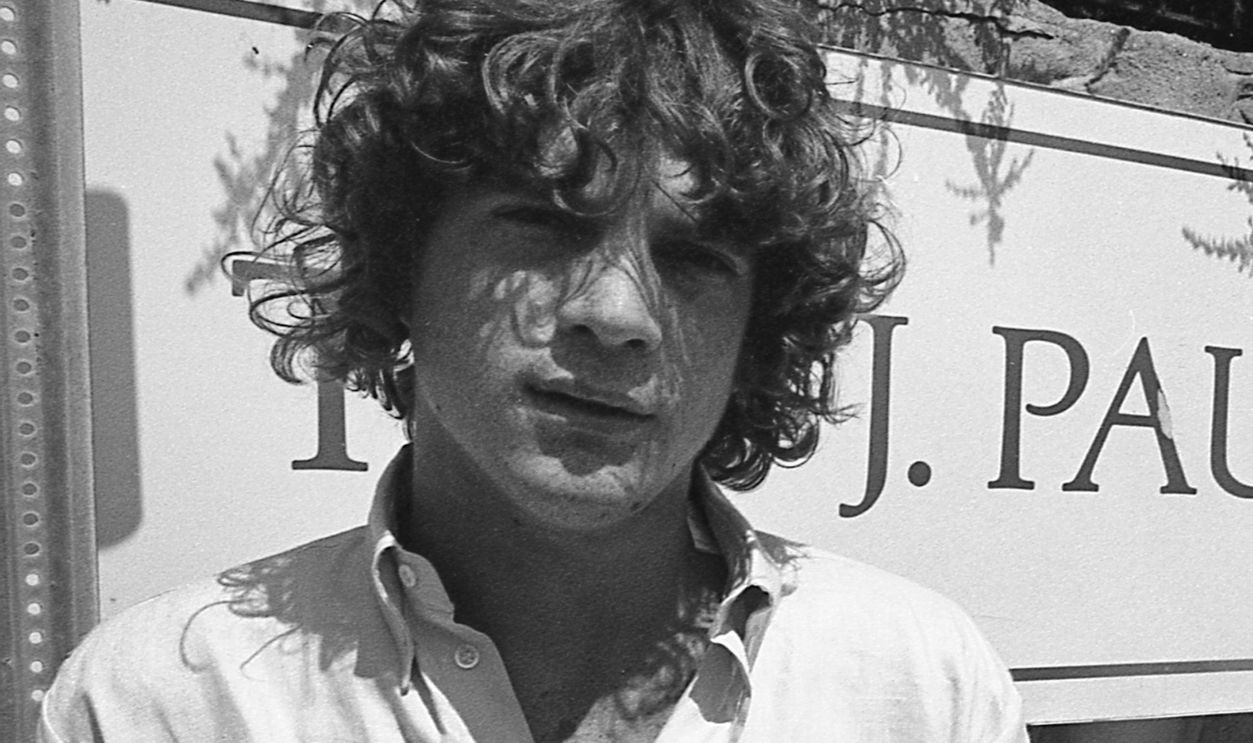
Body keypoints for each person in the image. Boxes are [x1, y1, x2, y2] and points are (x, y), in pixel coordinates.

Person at [41, 0, 1028, 740]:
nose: (617, 314)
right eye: (546, 223)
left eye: (692, 259)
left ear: (758, 331)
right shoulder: (163, 699)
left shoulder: (921, 687)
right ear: (403, 259)